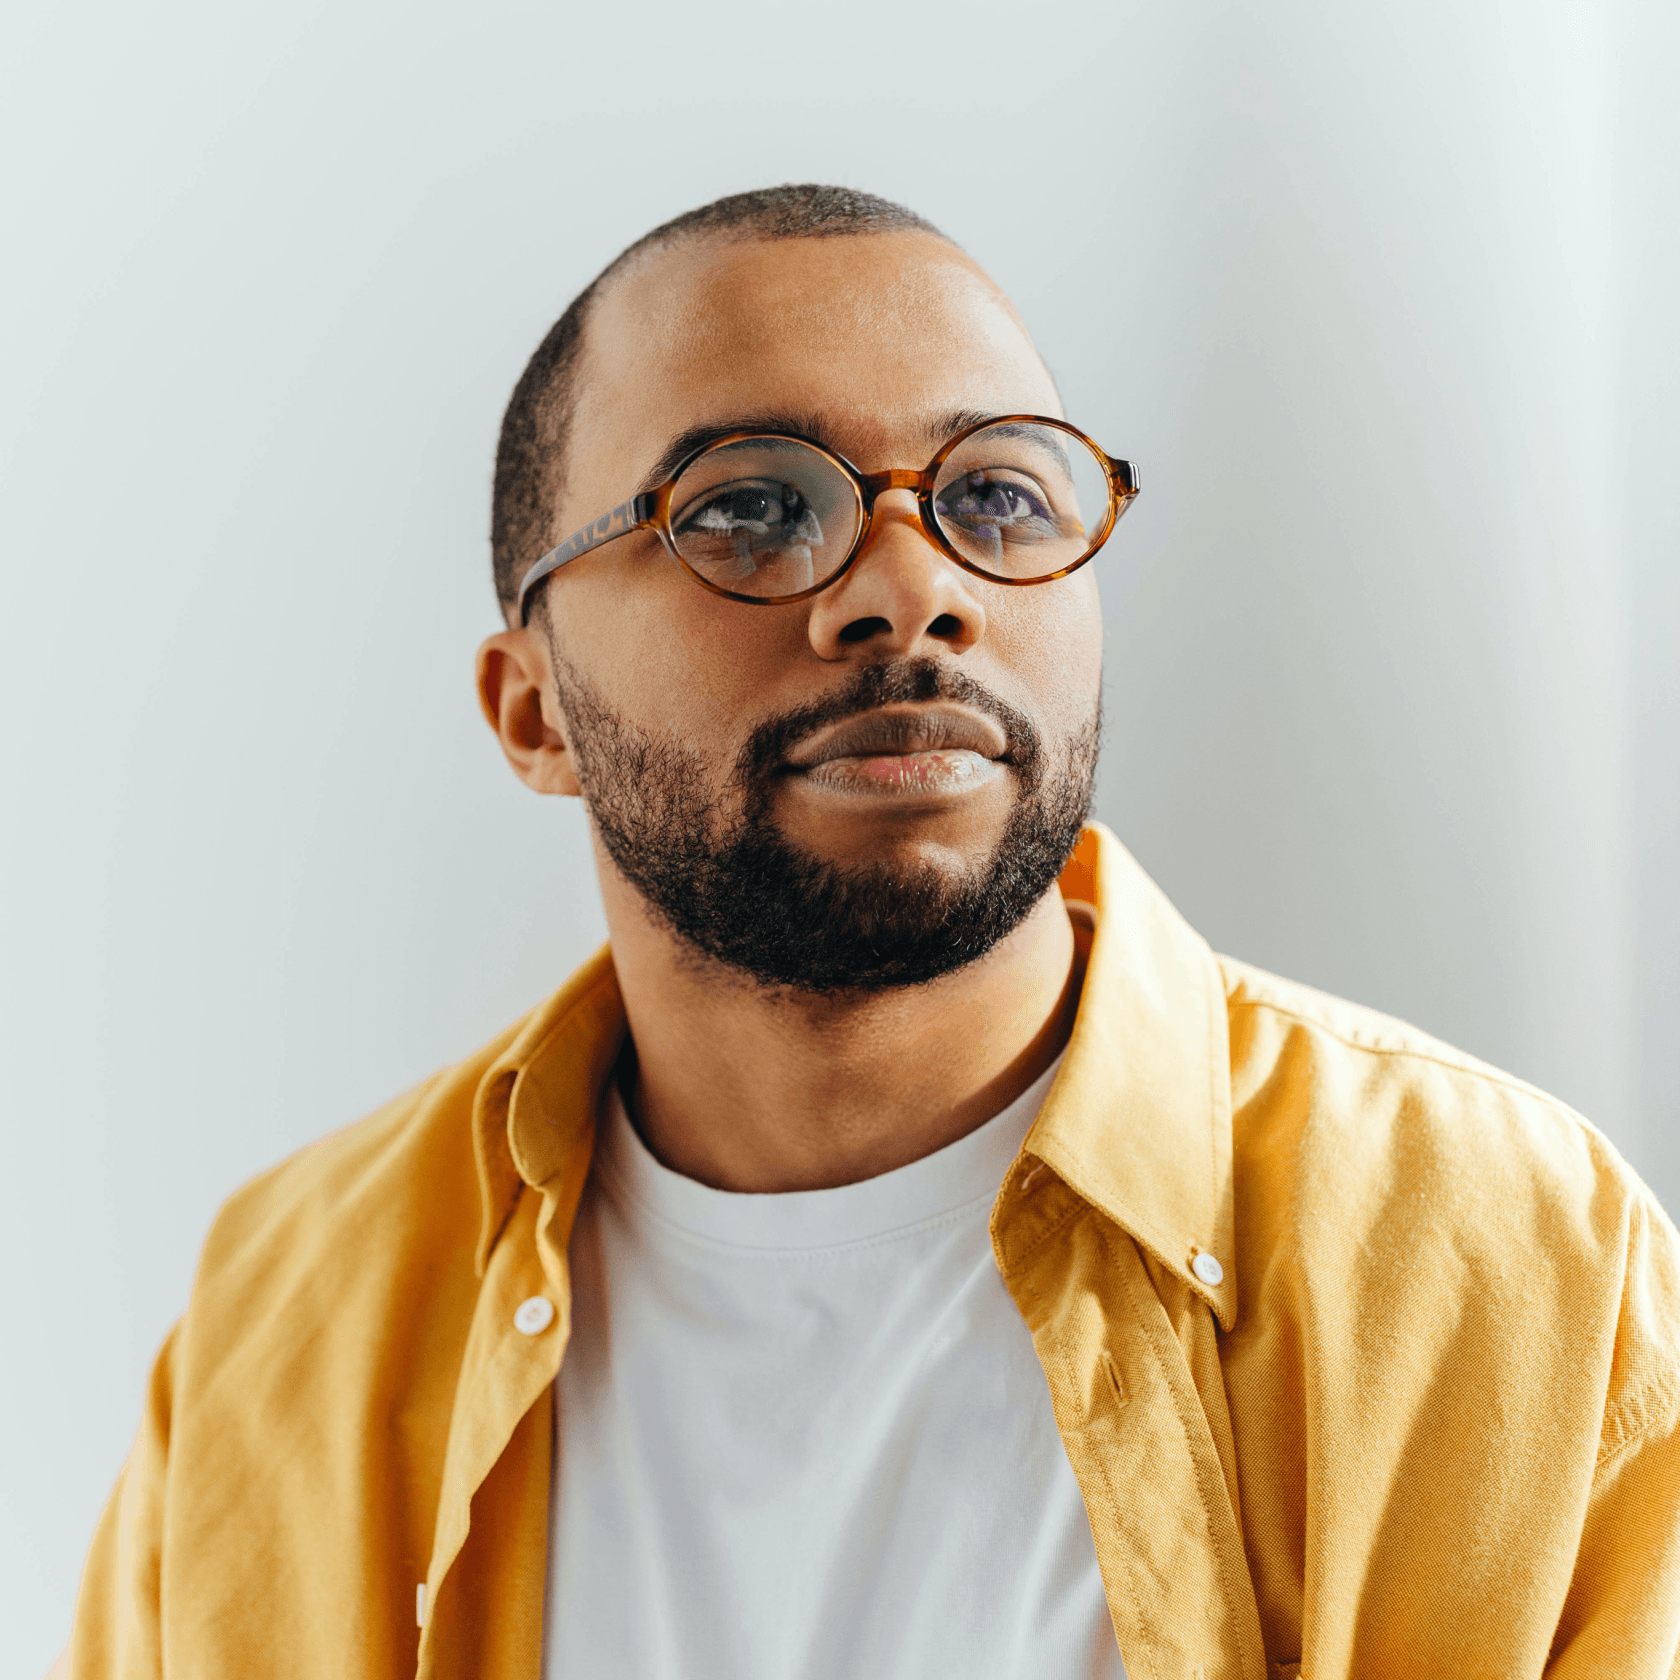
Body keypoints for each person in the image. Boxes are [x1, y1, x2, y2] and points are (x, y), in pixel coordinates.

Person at [59, 184, 1680, 1680]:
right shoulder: (282, 1326)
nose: (911, 592)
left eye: (999, 493)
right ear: (532, 708)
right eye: (752, 508)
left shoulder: (1510, 1259)